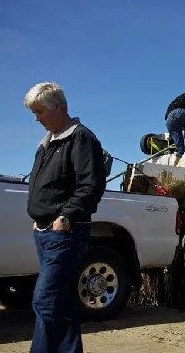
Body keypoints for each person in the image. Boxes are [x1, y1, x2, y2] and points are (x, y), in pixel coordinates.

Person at [23, 82, 107, 353]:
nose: (37, 118)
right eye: (34, 113)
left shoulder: (81, 138)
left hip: (65, 233)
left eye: (40, 111)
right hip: (44, 233)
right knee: (63, 305)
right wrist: (39, 218)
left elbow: (91, 184)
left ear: (59, 108)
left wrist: (65, 217)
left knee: (45, 301)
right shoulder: (46, 144)